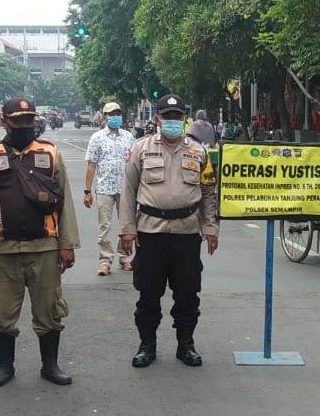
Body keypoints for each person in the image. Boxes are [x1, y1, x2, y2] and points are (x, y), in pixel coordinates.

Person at [0, 97, 80, 388]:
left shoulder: (49, 153)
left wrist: (67, 244)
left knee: (50, 310)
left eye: (30, 120)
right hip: (3, 249)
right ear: (5, 122)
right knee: (0, 311)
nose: (26, 126)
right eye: (19, 121)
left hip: (45, 248)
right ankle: (5, 366)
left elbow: (64, 201)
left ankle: (50, 365)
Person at [118, 94, 219, 369]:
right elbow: (128, 190)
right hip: (150, 232)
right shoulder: (140, 149)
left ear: (184, 119)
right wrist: (127, 230)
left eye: (177, 116)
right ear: (157, 118)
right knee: (148, 293)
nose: (172, 121)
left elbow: (209, 192)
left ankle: (186, 344)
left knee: (187, 293)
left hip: (187, 233)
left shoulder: (199, 152)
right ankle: (146, 345)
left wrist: (210, 227)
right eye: (168, 116)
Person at [84, 101, 135, 276]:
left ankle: (125, 258)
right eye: (112, 114)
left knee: (126, 224)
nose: (115, 117)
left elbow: (135, 163)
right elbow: (91, 164)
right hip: (104, 187)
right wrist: (87, 191)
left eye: (118, 114)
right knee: (104, 226)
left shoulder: (128, 137)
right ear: (104, 117)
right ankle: (105, 261)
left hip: (126, 188)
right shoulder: (97, 138)